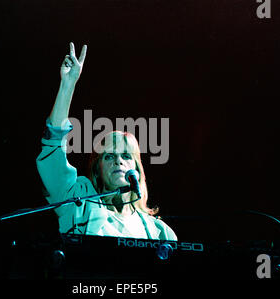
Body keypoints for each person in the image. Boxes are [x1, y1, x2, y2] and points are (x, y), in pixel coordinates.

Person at [36, 42, 177, 240]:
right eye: (109, 156)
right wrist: (67, 85)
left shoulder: (160, 232)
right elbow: (52, 154)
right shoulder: (78, 204)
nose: (118, 161)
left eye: (126, 156)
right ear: (97, 169)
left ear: (138, 170)